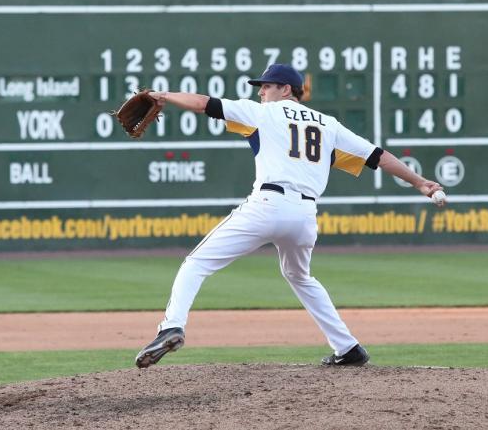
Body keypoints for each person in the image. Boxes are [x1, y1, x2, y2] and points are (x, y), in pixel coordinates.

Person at [135, 63, 445, 368]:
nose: (262, 92)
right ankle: (348, 347)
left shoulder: (265, 112)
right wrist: (419, 182)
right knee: (300, 276)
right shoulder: (328, 124)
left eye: (267, 86)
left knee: (197, 263)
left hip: (268, 204)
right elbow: (378, 157)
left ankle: (171, 327)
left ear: (287, 89)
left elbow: (205, 104)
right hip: (305, 216)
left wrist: (165, 95)